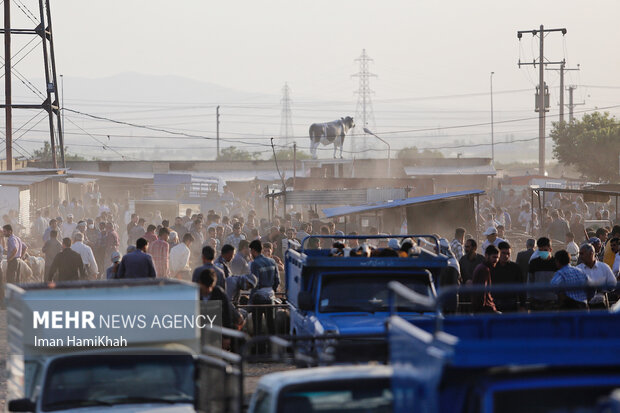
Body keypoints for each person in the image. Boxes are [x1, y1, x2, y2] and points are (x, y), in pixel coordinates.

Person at [249, 240, 280, 335]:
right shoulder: (272, 261)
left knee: (257, 326)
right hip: (270, 297)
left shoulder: (255, 263)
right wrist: (272, 291)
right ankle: (272, 346)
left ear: (254, 251)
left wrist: (250, 300)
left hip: (258, 298)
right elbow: (277, 280)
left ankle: (259, 346)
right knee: (271, 324)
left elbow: (255, 283)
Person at [577, 243, 617, 309]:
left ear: (591, 253)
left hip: (601, 303)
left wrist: (601, 289)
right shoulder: (577, 270)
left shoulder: (604, 267)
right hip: (584, 304)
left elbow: (613, 284)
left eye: (582, 254)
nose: (580, 256)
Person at [491, 241, 525, 312]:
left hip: (511, 304)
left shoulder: (515, 268)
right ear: (498, 253)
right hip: (495, 303)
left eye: (508, 254)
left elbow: (521, 287)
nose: (506, 256)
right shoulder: (492, 267)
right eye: (503, 253)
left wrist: (522, 305)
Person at [527, 237, 557, 311]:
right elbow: (530, 280)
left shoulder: (556, 263)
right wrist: (530, 297)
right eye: (540, 250)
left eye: (545, 250)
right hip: (537, 300)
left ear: (550, 250)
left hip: (552, 300)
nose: (543, 252)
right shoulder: (534, 263)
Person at [472, 245, 499, 313]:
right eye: (494, 257)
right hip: (486, 310)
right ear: (486, 255)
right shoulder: (484, 270)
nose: (496, 260)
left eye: (497, 258)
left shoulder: (481, 267)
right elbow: (481, 293)